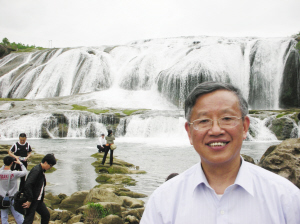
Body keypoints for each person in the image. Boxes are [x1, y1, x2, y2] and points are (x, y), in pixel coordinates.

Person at [140, 82, 300, 223]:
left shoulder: (287, 198)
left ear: (245, 127)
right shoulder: (163, 201)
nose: (216, 130)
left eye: (227, 118)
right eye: (203, 121)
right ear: (189, 132)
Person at [22, 153, 56, 224]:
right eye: (50, 165)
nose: (50, 167)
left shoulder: (41, 170)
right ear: (45, 162)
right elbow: (28, 184)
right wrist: (29, 200)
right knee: (28, 220)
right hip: (32, 200)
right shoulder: (36, 171)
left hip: (38, 200)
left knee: (46, 215)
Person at [0, 156, 27, 224]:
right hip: (13, 198)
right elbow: (25, 172)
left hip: (2, 198)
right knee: (18, 216)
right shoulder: (14, 173)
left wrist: (5, 163)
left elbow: (2, 168)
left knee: (4, 216)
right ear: (12, 163)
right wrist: (20, 163)